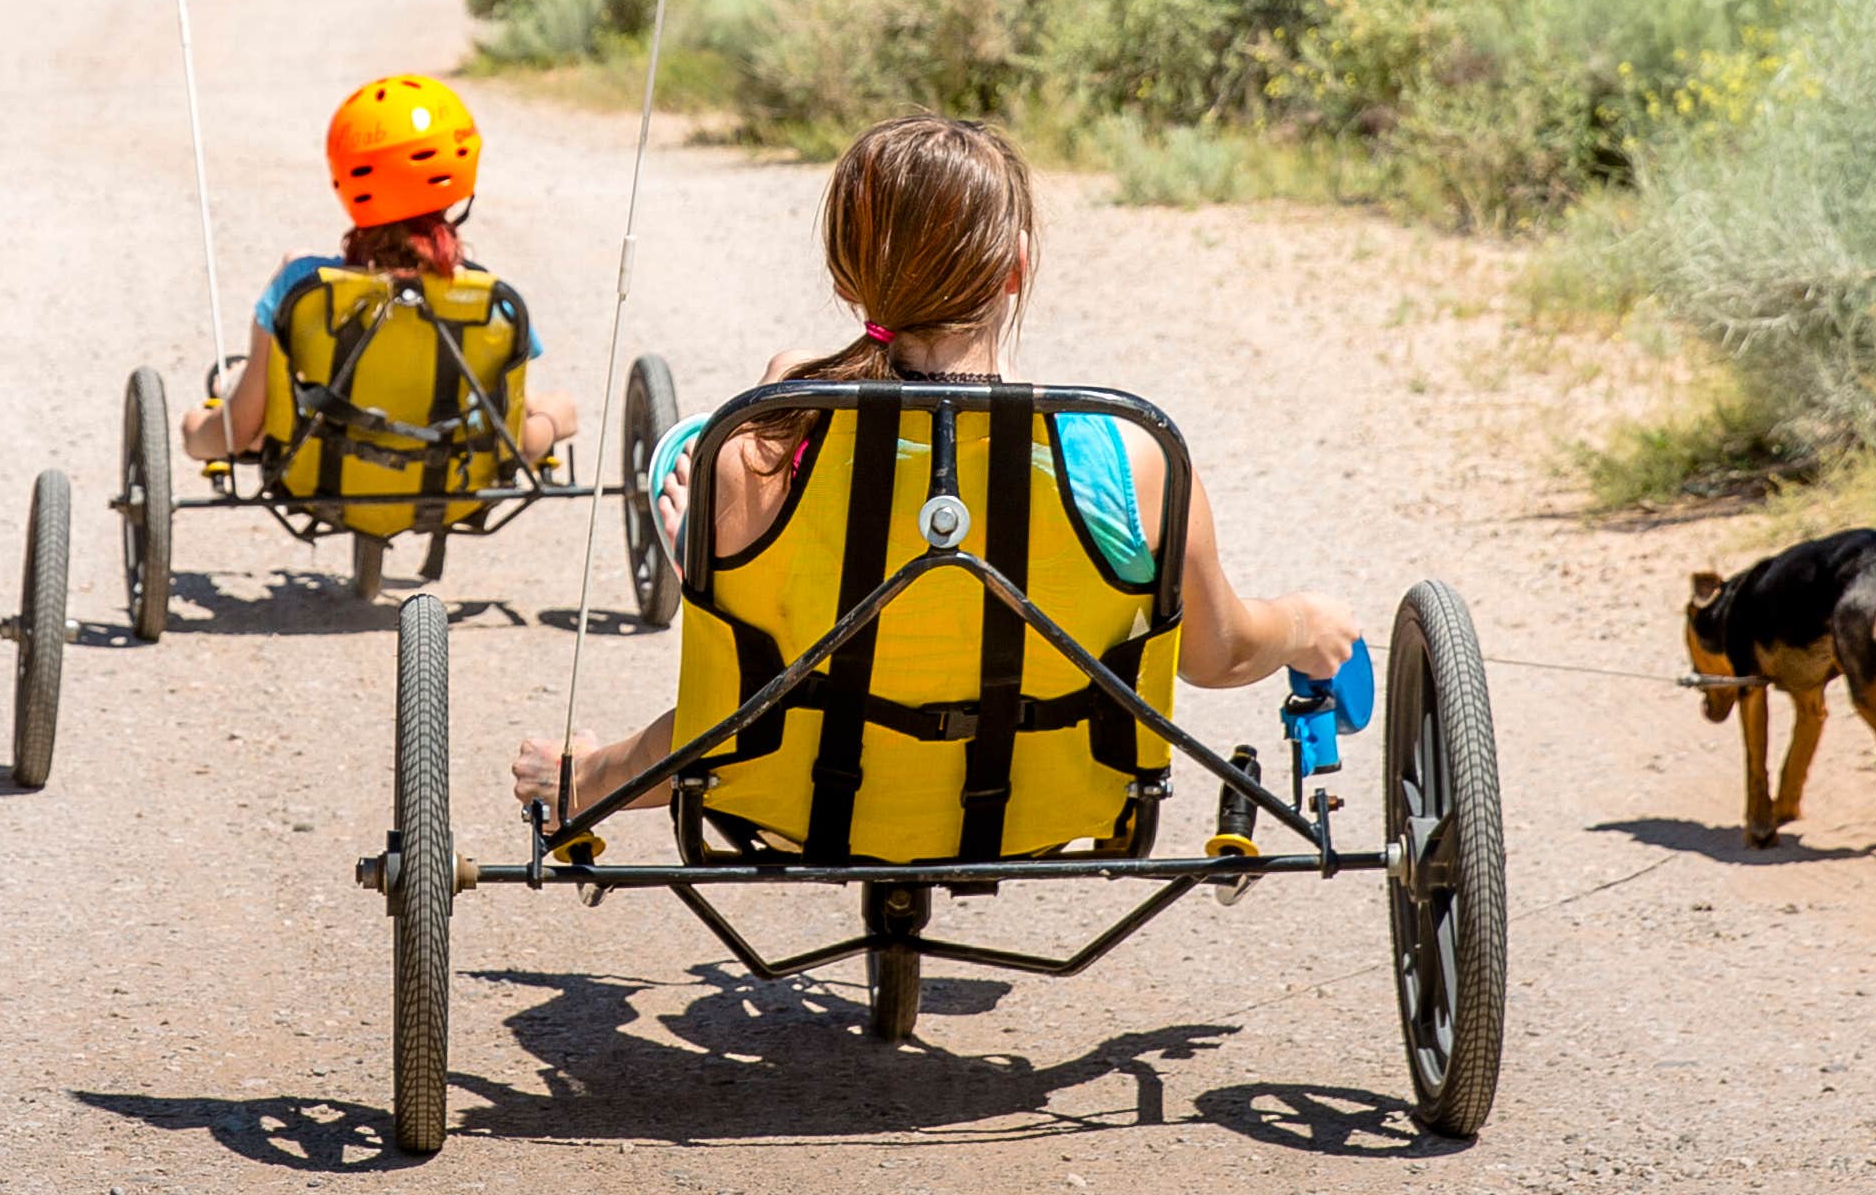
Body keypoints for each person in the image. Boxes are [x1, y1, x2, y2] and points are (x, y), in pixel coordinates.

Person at [511, 111, 1357, 827]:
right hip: (1050, 803)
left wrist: (695, 545)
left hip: (801, 798)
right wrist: (1300, 623)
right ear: (1016, 269)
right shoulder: (1131, 455)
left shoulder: (758, 451)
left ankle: (585, 779)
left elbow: (723, 711)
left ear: (850, 277)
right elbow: (1217, 654)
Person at [184, 69, 583, 466]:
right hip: (450, 470)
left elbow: (234, 436)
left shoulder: (301, 286)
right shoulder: (488, 297)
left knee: (217, 410)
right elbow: (521, 443)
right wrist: (554, 417)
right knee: (556, 405)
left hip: (326, 466)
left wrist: (193, 428)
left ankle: (236, 379)